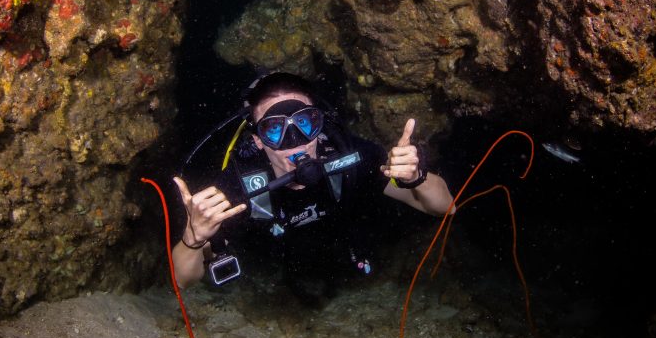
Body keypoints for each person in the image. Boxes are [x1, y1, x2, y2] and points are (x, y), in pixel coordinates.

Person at [171, 72, 454, 295]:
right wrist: (193, 239)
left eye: (305, 123)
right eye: (274, 129)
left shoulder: (349, 158)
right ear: (257, 139)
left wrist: (417, 176)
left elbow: (446, 208)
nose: (296, 142)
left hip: (340, 257)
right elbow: (183, 280)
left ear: (320, 126)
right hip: (274, 264)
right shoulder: (239, 186)